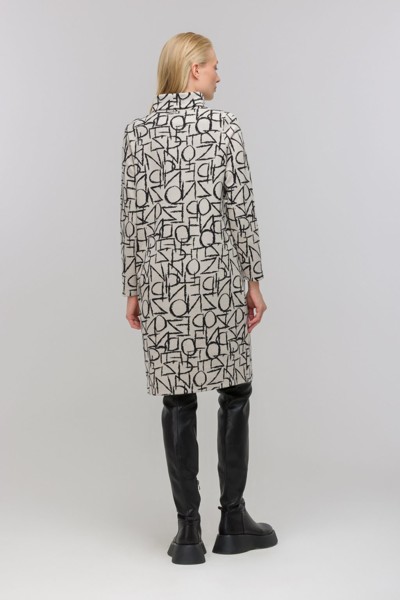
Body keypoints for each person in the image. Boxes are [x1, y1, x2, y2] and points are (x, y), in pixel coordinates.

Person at [120, 32, 278, 564]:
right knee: (234, 390)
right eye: (213, 66)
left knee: (177, 397)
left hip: (163, 284)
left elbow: (131, 217)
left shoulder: (137, 132)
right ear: (193, 69)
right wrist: (254, 280)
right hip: (216, 278)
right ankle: (232, 520)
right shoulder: (224, 126)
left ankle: (188, 534)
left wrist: (134, 287)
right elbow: (241, 210)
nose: (218, 75)